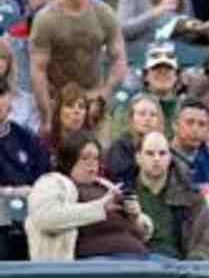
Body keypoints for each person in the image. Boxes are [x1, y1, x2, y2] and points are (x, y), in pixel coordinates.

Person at [25, 132, 150, 261]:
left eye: (96, 158)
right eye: (85, 158)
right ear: (69, 160)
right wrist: (100, 208)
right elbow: (45, 218)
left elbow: (142, 232)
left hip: (139, 256)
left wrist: (135, 217)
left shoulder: (105, 185)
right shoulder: (52, 182)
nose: (92, 163)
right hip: (92, 265)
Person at [30, 0, 127, 142]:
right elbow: (38, 71)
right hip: (59, 102)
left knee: (98, 159)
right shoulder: (45, 19)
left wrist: (103, 95)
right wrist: (47, 116)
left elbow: (119, 60)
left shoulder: (105, 14)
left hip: (94, 101)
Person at [132, 131, 209, 260]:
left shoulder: (192, 197)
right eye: (150, 153)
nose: (156, 158)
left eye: (162, 153)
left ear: (170, 157)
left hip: (178, 268)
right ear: (138, 158)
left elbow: (206, 245)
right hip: (136, 266)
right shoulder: (125, 195)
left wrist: (189, 270)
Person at [0, 77, 51, 260]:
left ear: (10, 100)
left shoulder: (26, 138)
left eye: (1, 95)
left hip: (30, 212)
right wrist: (10, 192)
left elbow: (45, 176)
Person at [110, 42, 181, 142]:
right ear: (146, 75)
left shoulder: (184, 108)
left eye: (168, 69)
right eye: (157, 69)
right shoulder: (128, 106)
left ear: (176, 76)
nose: (163, 74)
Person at [117, 0, 194, 62]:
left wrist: (191, 27)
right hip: (140, 56)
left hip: (174, 56)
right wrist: (156, 12)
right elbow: (123, 30)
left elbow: (188, 33)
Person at [106, 93, 166, 187]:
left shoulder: (165, 146)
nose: (148, 118)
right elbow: (122, 183)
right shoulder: (120, 147)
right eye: (142, 114)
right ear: (131, 118)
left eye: (153, 115)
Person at [170, 97, 209, 175]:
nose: (195, 129)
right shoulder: (160, 157)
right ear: (175, 125)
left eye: (202, 124)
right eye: (190, 122)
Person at [49, 82, 88, 153]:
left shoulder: (90, 147)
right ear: (58, 110)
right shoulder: (44, 145)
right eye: (69, 105)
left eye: (81, 106)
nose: (77, 111)